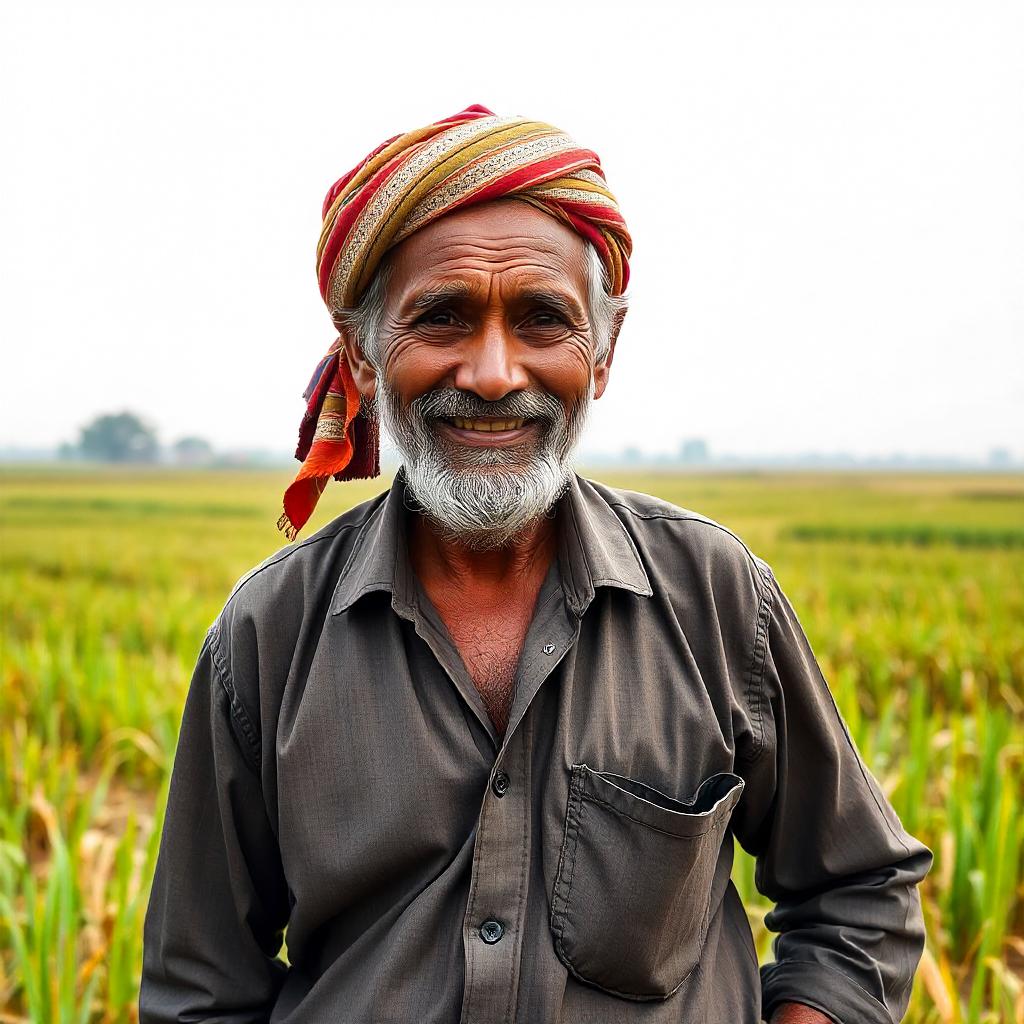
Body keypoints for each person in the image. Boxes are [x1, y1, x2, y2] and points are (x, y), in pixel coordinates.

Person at [140, 104, 931, 1024]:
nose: (491, 372)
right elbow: (201, 992)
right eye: (440, 318)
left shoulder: (715, 599)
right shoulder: (267, 637)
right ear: (359, 361)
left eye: (541, 321)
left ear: (602, 352)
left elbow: (859, 893)